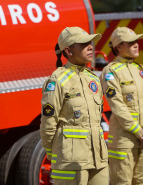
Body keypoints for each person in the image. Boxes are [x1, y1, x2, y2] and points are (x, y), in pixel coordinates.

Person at [40, 27, 109, 185]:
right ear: (68, 51)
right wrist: (55, 155)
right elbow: (48, 123)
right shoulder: (57, 80)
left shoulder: (93, 79)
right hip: (70, 161)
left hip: (98, 159)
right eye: (84, 44)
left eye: (90, 43)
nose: (90, 46)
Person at [100, 27, 143, 185]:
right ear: (118, 47)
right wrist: (139, 132)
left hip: (142, 137)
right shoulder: (110, 72)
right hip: (124, 140)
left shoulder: (139, 69)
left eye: (136, 41)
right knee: (122, 182)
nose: (136, 45)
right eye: (131, 43)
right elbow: (117, 106)